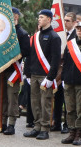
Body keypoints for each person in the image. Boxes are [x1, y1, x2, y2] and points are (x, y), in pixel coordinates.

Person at [22, 8, 62, 140]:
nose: (39, 19)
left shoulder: (54, 37)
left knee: (45, 103)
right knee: (34, 102)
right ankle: (37, 126)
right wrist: (27, 73)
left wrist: (50, 77)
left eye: (42, 17)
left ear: (49, 19)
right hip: (34, 74)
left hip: (45, 75)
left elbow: (56, 60)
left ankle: (45, 128)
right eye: (39, 17)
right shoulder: (35, 36)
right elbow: (29, 56)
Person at [0, 7, 30, 135]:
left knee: (12, 98)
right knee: (0, 97)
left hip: (13, 71)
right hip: (1, 69)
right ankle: (2, 123)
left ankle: (11, 124)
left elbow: (26, 51)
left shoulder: (22, 33)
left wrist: (11, 55)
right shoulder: (1, 32)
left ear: (15, 17)